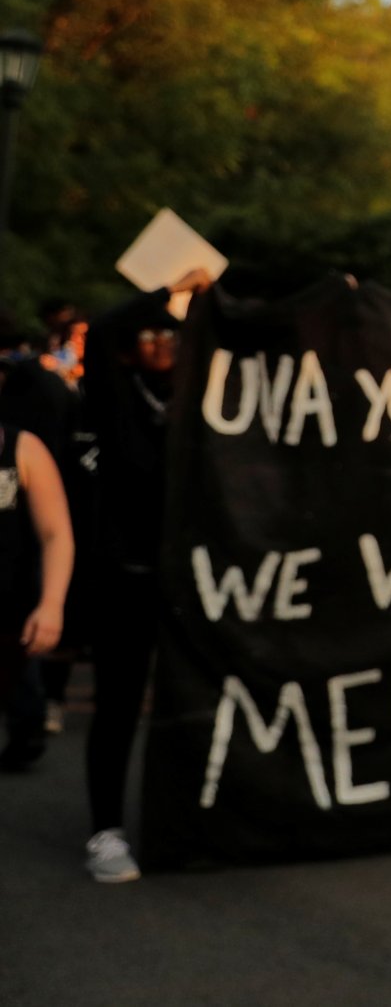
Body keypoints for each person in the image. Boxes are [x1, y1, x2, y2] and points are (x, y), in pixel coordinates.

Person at [79, 268, 214, 882]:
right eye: (152, 334)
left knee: (197, 700)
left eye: (174, 335)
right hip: (126, 576)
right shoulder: (115, 395)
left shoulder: (202, 400)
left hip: (192, 581)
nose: (164, 343)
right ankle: (105, 830)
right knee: (120, 701)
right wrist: (168, 290)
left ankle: (189, 820)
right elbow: (105, 329)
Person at [0, 314, 74, 780]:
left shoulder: (21, 449)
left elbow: (56, 533)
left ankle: (24, 738)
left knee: (23, 711)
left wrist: (51, 604)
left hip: (9, 612)